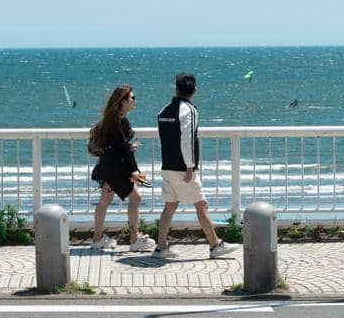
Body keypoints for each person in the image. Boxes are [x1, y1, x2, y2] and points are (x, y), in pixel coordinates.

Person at [154, 73, 240, 259]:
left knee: (170, 206)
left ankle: (160, 247)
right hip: (182, 168)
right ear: (194, 90)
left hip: (167, 166)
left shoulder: (163, 111)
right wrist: (190, 166)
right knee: (202, 205)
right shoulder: (189, 110)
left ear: (176, 88)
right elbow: (187, 139)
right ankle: (215, 245)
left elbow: (163, 139)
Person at [88, 84, 155, 253]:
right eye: (132, 98)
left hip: (107, 167)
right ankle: (135, 239)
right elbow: (122, 149)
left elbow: (117, 146)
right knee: (136, 198)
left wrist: (129, 148)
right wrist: (136, 171)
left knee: (105, 200)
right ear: (123, 101)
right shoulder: (121, 121)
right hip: (118, 169)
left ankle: (97, 239)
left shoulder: (111, 119)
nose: (134, 101)